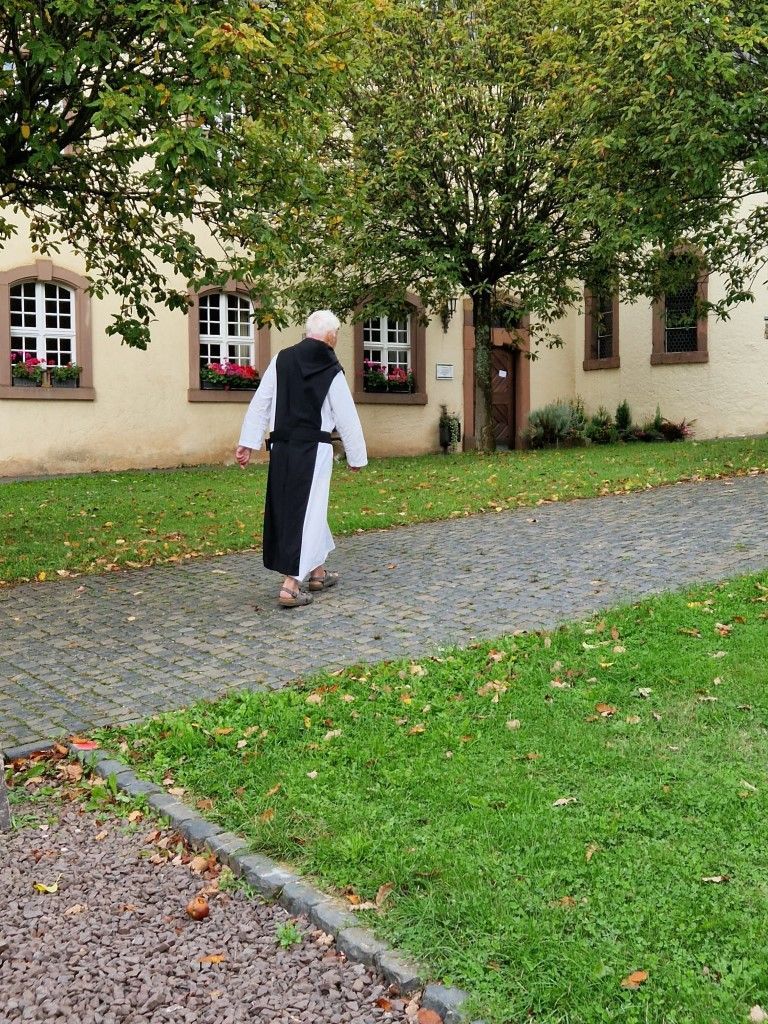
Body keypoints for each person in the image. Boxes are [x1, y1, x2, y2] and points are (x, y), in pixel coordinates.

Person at [235, 310, 368, 608]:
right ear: (331, 336)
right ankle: (291, 586)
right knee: (307, 512)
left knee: (299, 508)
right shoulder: (330, 367)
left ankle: (318, 573)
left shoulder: (281, 359)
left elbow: (261, 402)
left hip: (282, 448)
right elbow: (346, 415)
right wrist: (357, 455)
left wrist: (247, 443)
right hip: (314, 450)